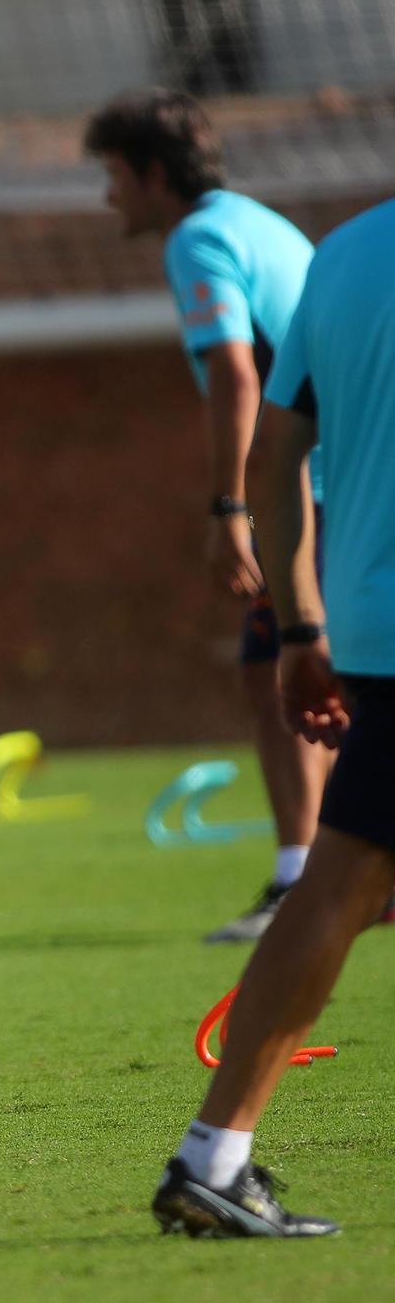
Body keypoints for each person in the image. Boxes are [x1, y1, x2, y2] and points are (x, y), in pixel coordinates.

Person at [151, 195, 395, 1239]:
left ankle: (213, 1158)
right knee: (339, 888)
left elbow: (278, 453)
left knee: (340, 885)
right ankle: (211, 1155)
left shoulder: (341, 257)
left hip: (368, 624)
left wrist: (301, 629)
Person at [87, 89, 332, 942]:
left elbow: (237, 372)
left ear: (155, 175)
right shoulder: (257, 222)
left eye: (115, 175)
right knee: (305, 666)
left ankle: (307, 880)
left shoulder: (198, 237)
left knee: (285, 670)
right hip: (350, 467)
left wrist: (231, 503)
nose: (109, 195)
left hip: (314, 483)